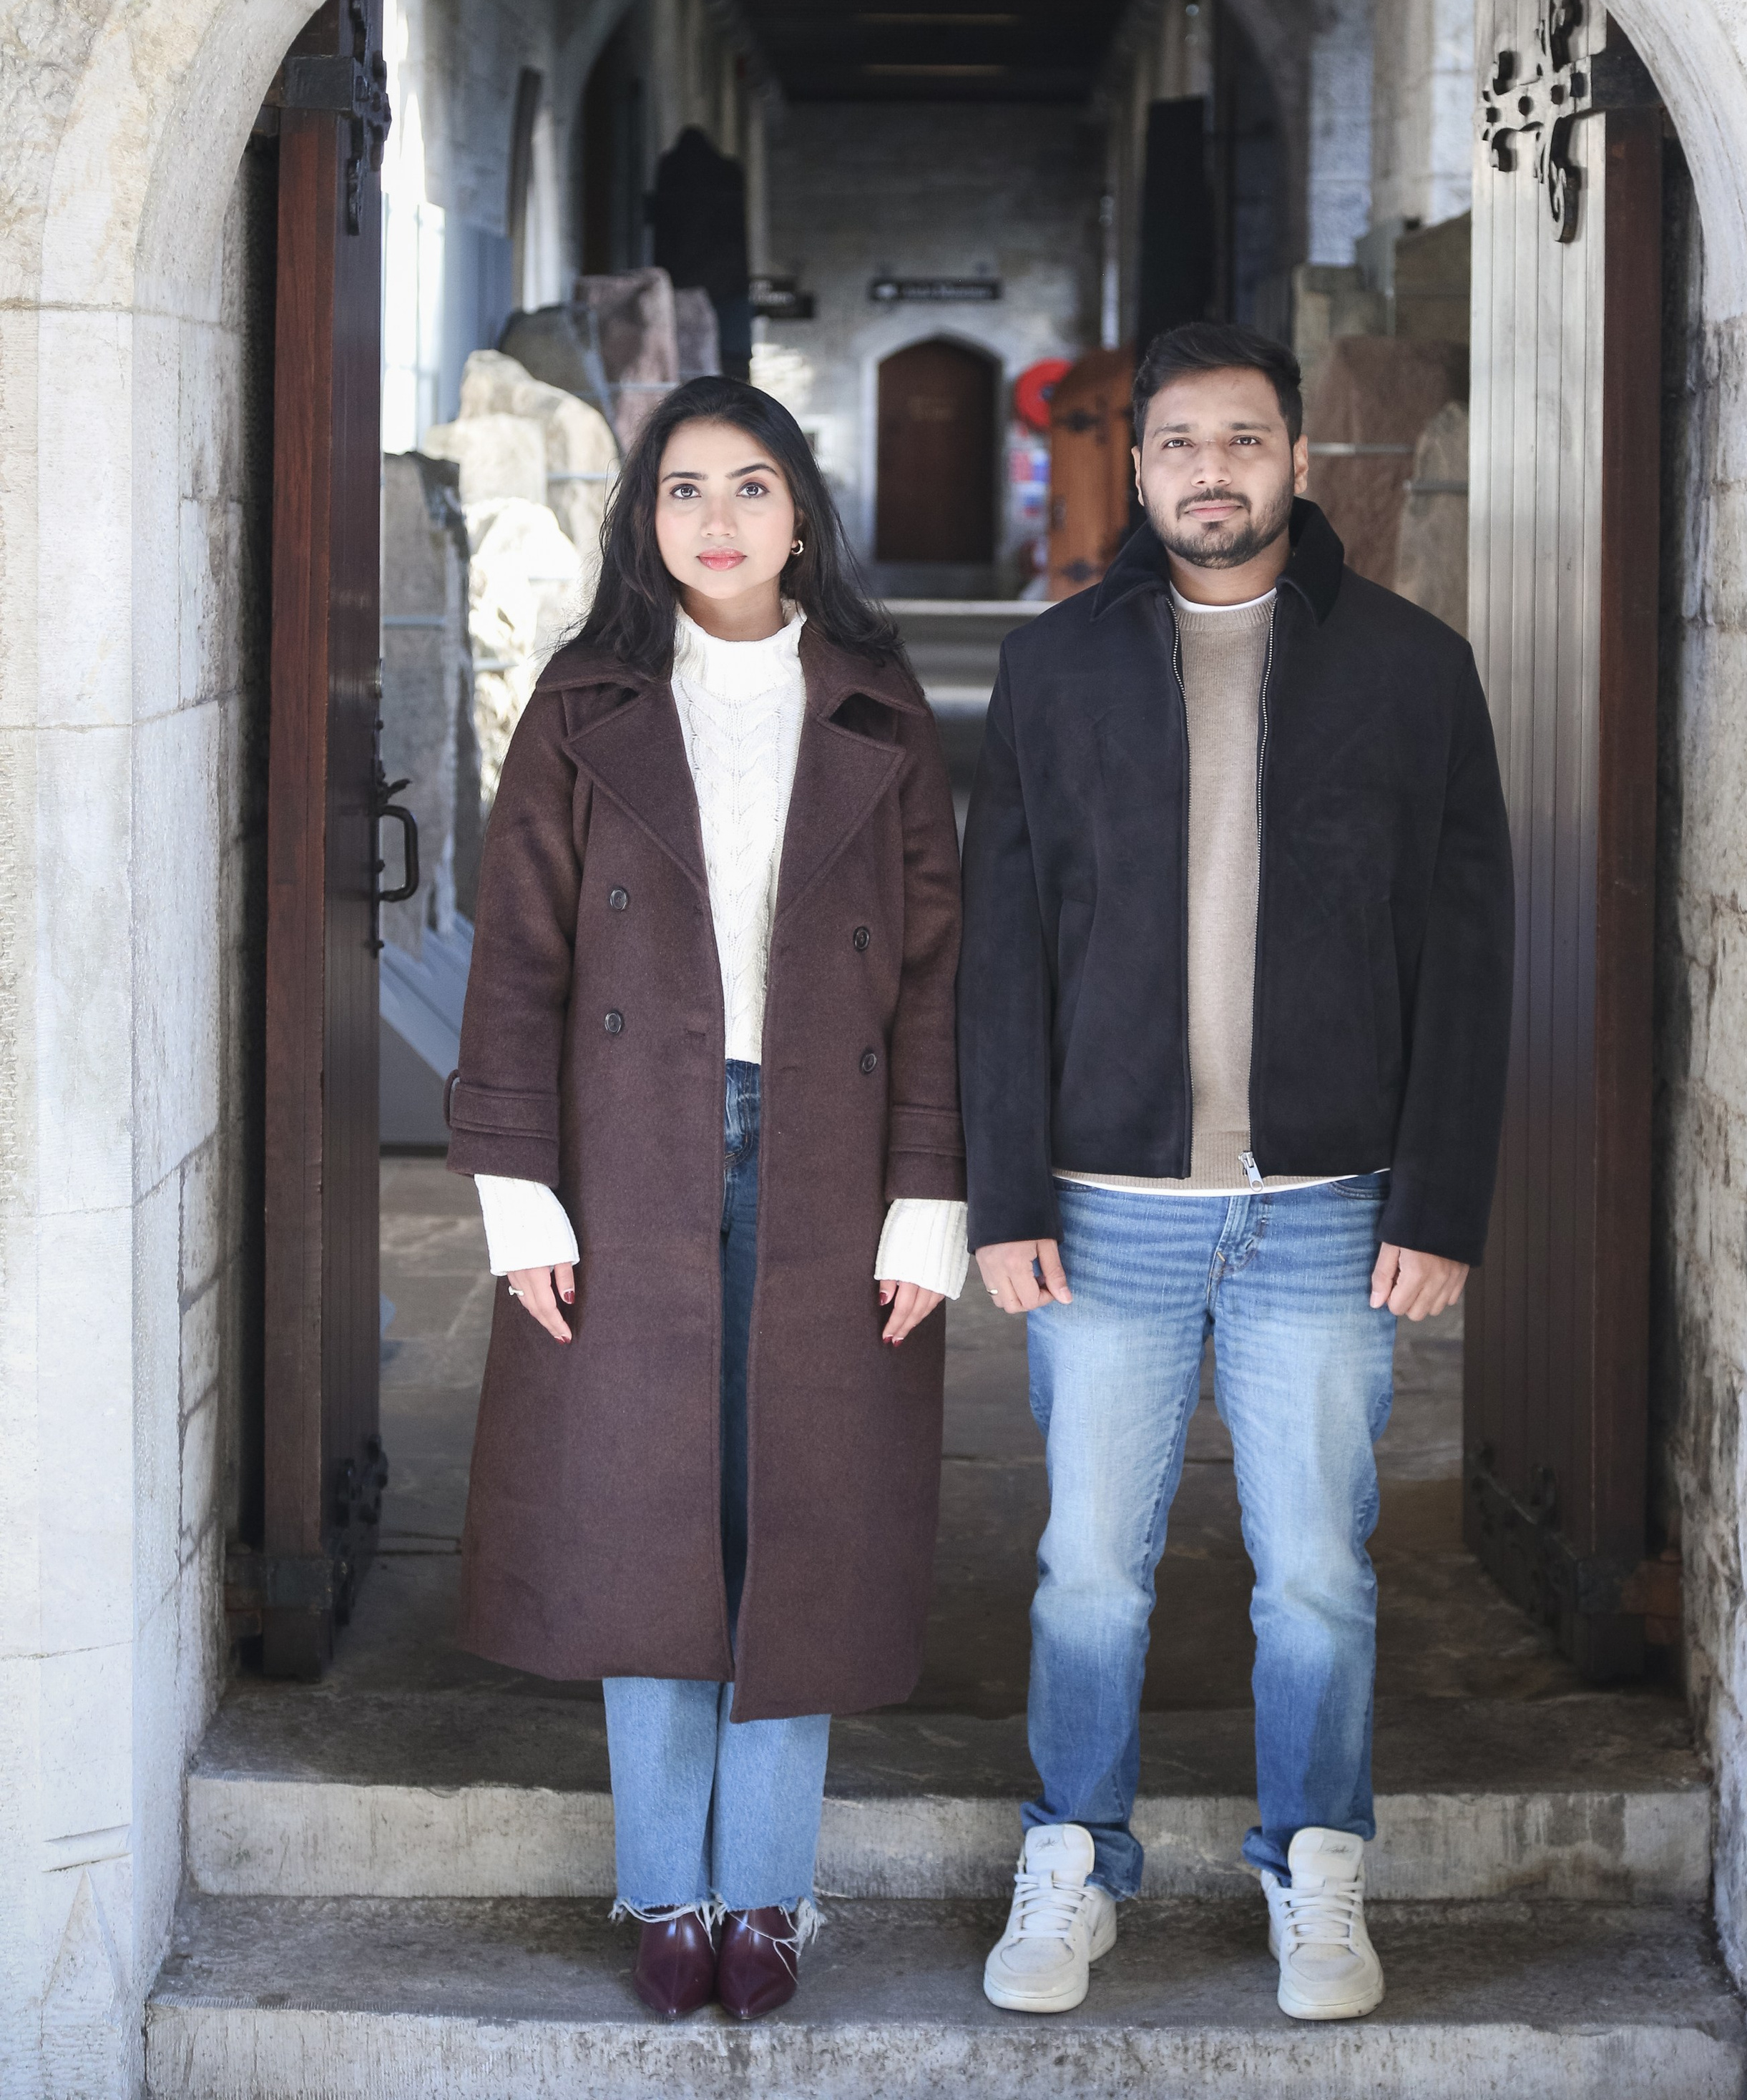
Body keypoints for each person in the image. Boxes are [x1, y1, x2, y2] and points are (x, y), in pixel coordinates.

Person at [959, 321, 1513, 2023]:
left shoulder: (1412, 669)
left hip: (1325, 1207)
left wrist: (1436, 1199)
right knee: (1084, 1572)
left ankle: (1315, 1869)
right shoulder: (1053, 672)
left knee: (1318, 1573)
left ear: (1295, 460)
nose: (1213, 470)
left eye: (1244, 440)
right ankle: (1071, 1859)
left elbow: (1469, 949)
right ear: (1140, 469)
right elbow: (997, 947)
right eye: (1181, 443)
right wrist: (1004, 1195)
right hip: (1106, 1204)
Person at [446, 375, 968, 2022]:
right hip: (628, 1152)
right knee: (645, 1524)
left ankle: (769, 1891)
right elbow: (518, 960)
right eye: (683, 488)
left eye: (750, 484)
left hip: (831, 1153)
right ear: (644, 517)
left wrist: (929, 1199)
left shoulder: (878, 708)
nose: (718, 518)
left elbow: (940, 978)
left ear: (801, 508)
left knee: (791, 1526)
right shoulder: (583, 704)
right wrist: (518, 1195)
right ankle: (666, 1884)